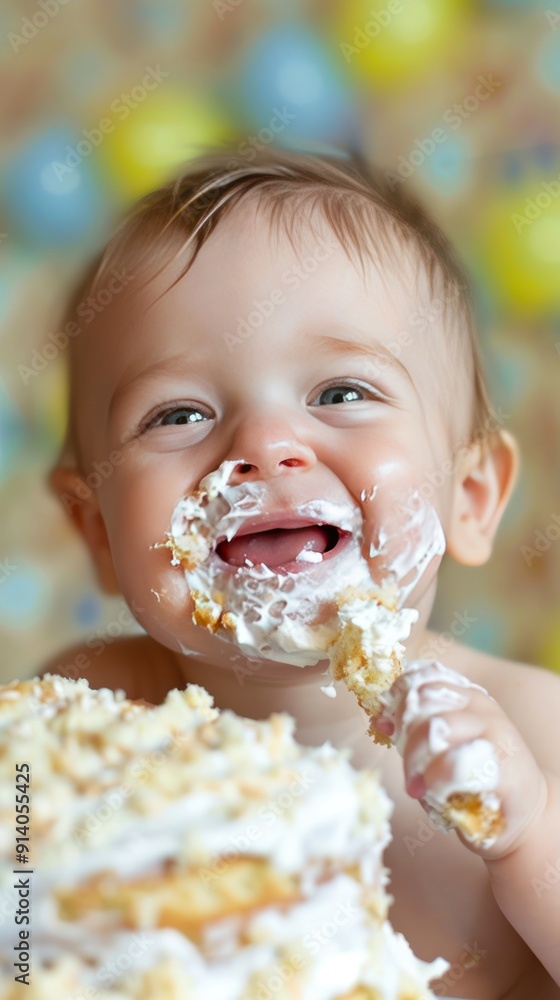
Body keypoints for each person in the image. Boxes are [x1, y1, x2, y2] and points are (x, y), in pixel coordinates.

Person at [41, 148, 560, 998]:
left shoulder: (533, 733)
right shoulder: (89, 715)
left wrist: (531, 833)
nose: (262, 446)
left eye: (342, 392)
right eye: (179, 413)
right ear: (98, 530)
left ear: (470, 496)